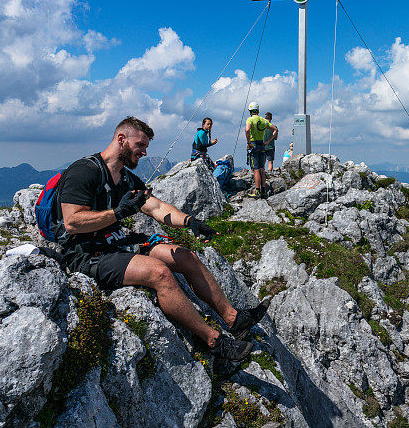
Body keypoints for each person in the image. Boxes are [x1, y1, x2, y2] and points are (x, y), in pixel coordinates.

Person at [54, 116, 266, 362]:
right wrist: (118, 213)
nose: (144, 152)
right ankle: (214, 341)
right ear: (121, 140)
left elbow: (155, 207)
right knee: (160, 273)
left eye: (145, 147)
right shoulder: (85, 171)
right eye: (140, 145)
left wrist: (190, 222)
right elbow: (72, 222)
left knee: (186, 257)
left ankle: (233, 319)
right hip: (85, 253)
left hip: (115, 242)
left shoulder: (125, 178)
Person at [245, 102, 277, 198]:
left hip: (253, 144)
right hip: (262, 145)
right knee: (262, 168)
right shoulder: (263, 121)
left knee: (256, 169)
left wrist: (248, 142)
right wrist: (267, 141)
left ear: (250, 111)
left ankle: (257, 190)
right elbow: (275, 130)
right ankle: (263, 190)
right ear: (258, 110)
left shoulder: (250, 119)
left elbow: (247, 130)